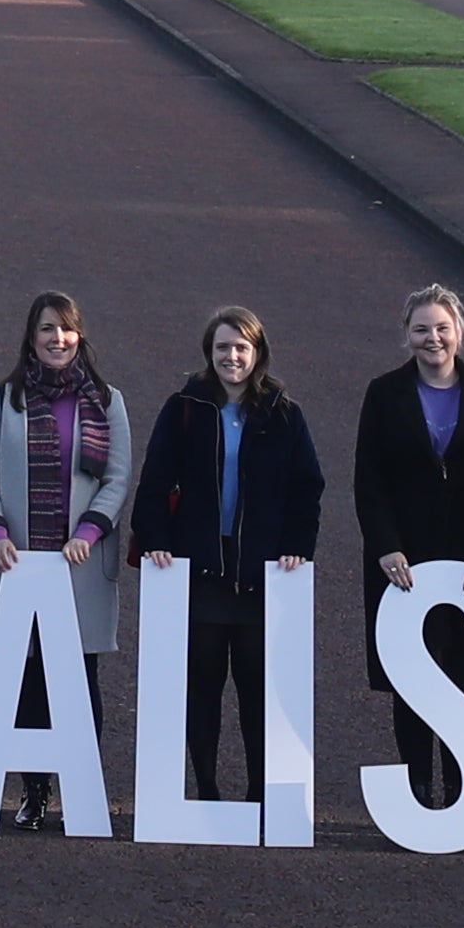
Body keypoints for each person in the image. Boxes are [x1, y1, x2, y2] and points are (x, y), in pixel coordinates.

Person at [128, 304, 323, 809]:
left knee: (259, 695)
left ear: (257, 353)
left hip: (262, 575)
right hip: (202, 573)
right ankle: (207, 791)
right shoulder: (185, 407)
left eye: (241, 347)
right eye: (222, 348)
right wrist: (154, 537)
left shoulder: (283, 411)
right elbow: (152, 481)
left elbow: (308, 487)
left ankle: (260, 794)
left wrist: (298, 547)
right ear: (208, 353)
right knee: (202, 693)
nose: (231, 357)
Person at [0, 289, 133, 833]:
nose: (57, 339)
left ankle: (82, 785)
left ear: (79, 335)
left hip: (79, 563)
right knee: (28, 677)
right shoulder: (3, 400)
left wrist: (89, 531)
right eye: (46, 330)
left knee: (81, 677)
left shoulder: (107, 401)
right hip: (20, 563)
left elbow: (117, 479)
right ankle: (34, 791)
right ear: (30, 338)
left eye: (65, 329)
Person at [347, 281, 464, 806]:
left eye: (442, 328)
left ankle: (462, 790)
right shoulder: (384, 393)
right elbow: (368, 479)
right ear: (407, 335)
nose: (433, 338)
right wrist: (385, 546)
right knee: (410, 677)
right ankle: (419, 787)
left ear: (460, 332)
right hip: (404, 558)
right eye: (422, 329)